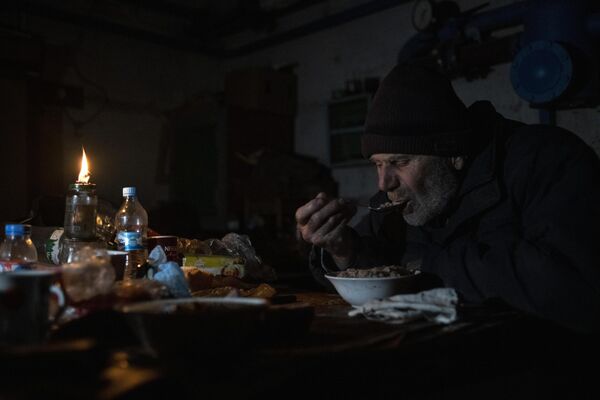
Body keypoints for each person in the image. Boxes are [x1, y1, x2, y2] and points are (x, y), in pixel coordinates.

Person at [295, 63, 600, 333]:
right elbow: (370, 268)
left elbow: (572, 284)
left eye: (400, 162)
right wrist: (342, 249)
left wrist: (427, 266)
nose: (384, 182)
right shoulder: (400, 196)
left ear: (453, 153)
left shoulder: (546, 162)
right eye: (377, 163)